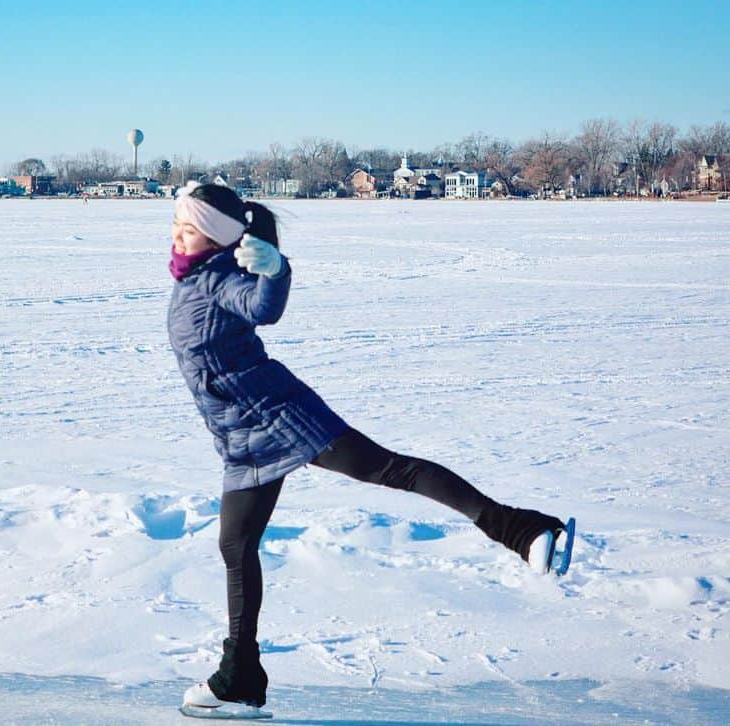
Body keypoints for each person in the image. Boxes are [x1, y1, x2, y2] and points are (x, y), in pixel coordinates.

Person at [167, 182, 571, 718]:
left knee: (386, 469)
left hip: (278, 416)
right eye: (176, 225)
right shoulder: (196, 274)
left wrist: (276, 270)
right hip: (241, 438)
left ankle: (522, 528)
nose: (178, 235)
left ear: (216, 238)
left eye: (189, 228)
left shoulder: (221, 277)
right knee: (235, 547)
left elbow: (262, 308)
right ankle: (240, 675)